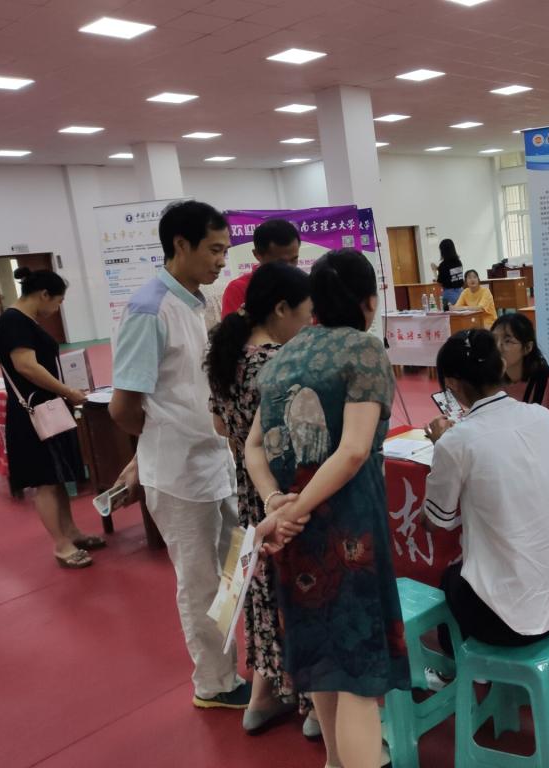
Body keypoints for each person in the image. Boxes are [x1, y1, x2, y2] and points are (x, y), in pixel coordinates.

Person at [246, 248, 410, 768]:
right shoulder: (364, 350)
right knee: (359, 674)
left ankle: (336, 762)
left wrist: (278, 504)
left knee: (321, 658)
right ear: (368, 301)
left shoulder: (284, 355)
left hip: (294, 534)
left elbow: (252, 448)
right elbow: (354, 450)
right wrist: (296, 509)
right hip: (348, 526)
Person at [109, 200, 250, 710]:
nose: (221, 261)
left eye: (225, 250)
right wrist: (156, 442)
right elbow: (123, 407)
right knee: (199, 582)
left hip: (217, 460)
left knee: (235, 568)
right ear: (180, 245)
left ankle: (231, 662)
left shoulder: (200, 300)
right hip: (178, 473)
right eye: (213, 250)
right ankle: (214, 682)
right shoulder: (149, 310)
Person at [423, 329, 549, 648]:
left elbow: (433, 522)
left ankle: (455, 666)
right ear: (500, 365)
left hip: (509, 619)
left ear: (452, 384)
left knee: (450, 579)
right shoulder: (542, 417)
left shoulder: (457, 441)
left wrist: (441, 445)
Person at [204, 262, 313, 735]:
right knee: (299, 588)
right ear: (282, 309)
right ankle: (315, 705)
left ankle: (263, 697)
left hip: (248, 493)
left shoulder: (224, 353)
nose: (308, 323)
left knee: (258, 588)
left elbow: (220, 425)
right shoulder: (282, 363)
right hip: (284, 495)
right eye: (305, 313)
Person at [0, 267, 100, 569]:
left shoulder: (25, 321)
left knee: (57, 476)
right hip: (33, 413)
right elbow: (26, 366)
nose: (57, 308)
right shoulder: (13, 322)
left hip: (48, 408)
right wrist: (67, 391)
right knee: (46, 481)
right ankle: (62, 545)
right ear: (44, 295)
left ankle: (72, 532)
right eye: (58, 301)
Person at [490, 313, 549, 438]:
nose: (498, 347)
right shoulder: (491, 380)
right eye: (494, 340)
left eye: (508, 341)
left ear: (528, 347)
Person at [221, 218, 301, 318]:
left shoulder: (303, 287)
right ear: (257, 254)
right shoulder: (238, 289)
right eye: (281, 263)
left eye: (294, 259)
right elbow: (231, 327)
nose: (289, 268)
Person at [429, 238, 464, 308]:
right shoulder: (458, 262)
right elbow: (451, 272)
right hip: (461, 292)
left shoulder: (443, 265)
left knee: (448, 313)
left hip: (449, 294)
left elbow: (439, 282)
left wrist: (434, 271)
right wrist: (438, 268)